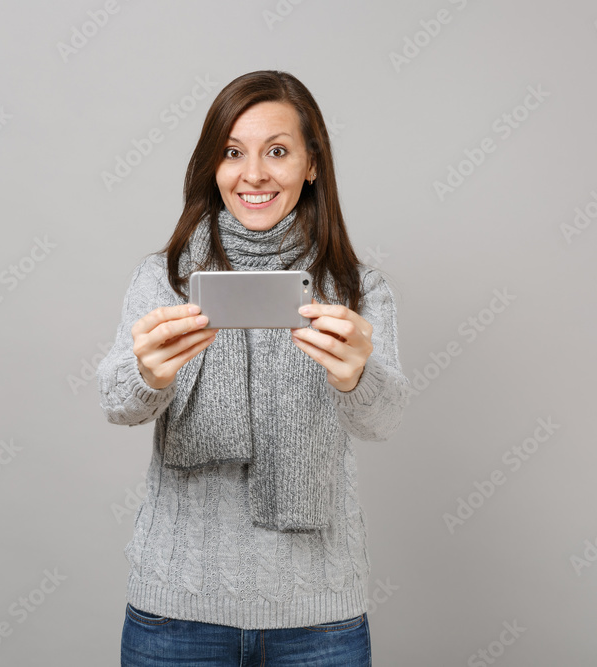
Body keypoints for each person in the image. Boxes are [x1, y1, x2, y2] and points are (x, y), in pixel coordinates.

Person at [97, 70, 412, 666]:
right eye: (232, 153)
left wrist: (355, 377)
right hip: (178, 611)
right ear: (212, 168)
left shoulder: (355, 288)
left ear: (311, 164)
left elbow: (384, 419)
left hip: (319, 617)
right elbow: (117, 401)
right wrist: (150, 374)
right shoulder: (162, 278)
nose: (254, 175)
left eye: (277, 151)